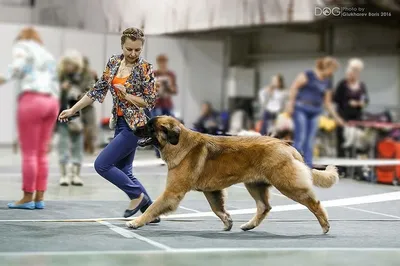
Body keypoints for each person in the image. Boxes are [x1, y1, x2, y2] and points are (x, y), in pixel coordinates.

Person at [58, 27, 160, 222]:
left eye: (137, 50)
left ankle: (137, 196)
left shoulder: (145, 68)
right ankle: (151, 212)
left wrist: (126, 95)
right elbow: (96, 91)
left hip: (136, 126)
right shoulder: (113, 62)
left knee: (102, 164)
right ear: (122, 45)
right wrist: (73, 110)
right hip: (120, 123)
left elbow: (150, 101)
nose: (133, 54)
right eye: (129, 49)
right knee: (124, 171)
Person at [0, 27, 60, 209]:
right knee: (42, 153)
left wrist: (3, 78)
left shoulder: (22, 46)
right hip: (52, 102)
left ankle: (26, 198)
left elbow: (18, 66)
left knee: (29, 154)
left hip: (32, 101)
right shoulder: (46, 54)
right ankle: (39, 198)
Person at [286, 56, 345, 168]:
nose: (332, 73)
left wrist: (337, 118)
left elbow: (327, 103)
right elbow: (294, 88)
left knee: (310, 141)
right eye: (332, 70)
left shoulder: (327, 82)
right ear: (327, 66)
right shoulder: (308, 75)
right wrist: (290, 104)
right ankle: (294, 166)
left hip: (315, 112)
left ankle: (308, 168)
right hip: (301, 109)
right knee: (301, 138)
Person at [57, 50, 91, 186]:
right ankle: (64, 175)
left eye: (70, 64)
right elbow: (51, 92)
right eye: (66, 64)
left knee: (78, 144)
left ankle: (76, 174)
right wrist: (62, 89)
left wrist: (78, 93)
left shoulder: (85, 75)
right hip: (62, 114)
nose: (68, 67)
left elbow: (92, 92)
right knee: (63, 144)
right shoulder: (60, 76)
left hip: (80, 116)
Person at [334, 58, 368, 159]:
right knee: (343, 143)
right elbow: (335, 99)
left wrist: (359, 103)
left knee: (357, 143)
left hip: (357, 119)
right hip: (343, 118)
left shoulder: (361, 86)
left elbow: (365, 100)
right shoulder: (342, 85)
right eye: (350, 73)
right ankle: (342, 168)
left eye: (354, 72)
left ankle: (357, 169)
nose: (351, 75)